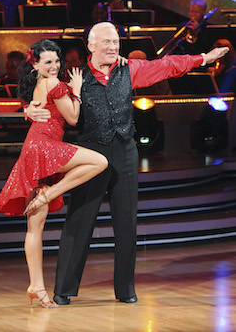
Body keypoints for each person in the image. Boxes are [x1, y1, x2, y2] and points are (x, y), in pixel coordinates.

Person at [25, 22, 229, 305]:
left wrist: (203, 59)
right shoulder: (74, 75)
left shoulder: (129, 69)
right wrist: (29, 109)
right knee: (79, 220)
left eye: (116, 42)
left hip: (124, 151)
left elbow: (167, 65)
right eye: (107, 42)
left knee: (126, 223)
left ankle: (125, 289)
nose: (113, 47)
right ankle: (64, 290)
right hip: (90, 153)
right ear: (91, 46)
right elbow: (44, 94)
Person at [0, 39, 108, 308]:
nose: (55, 65)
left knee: (35, 225)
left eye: (57, 60)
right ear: (35, 64)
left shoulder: (38, 83)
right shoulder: (54, 84)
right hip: (45, 147)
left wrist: (28, 110)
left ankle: (36, 286)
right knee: (99, 162)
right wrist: (76, 91)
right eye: (48, 62)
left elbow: (34, 109)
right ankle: (51, 195)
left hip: (34, 147)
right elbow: (73, 119)